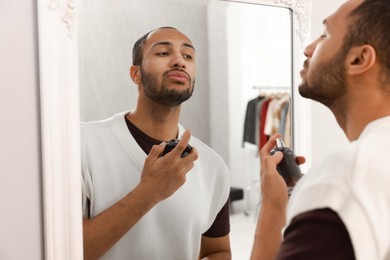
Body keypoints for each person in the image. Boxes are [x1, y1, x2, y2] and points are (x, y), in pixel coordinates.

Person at [251, 0, 390, 259]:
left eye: (324, 35)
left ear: (359, 59)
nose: (307, 48)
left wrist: (272, 208)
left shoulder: (344, 180)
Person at [81, 27, 231, 260]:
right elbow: (60, 250)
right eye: (163, 53)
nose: (179, 61)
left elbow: (217, 251)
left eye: (188, 56)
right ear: (135, 74)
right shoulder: (82, 145)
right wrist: (149, 193)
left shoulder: (213, 166)